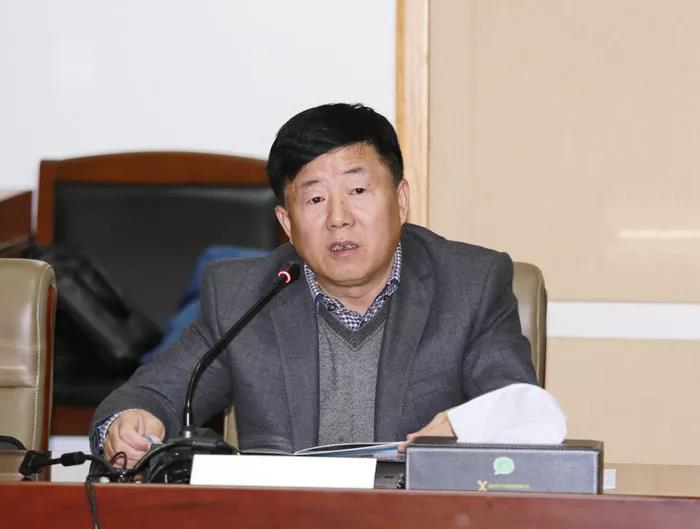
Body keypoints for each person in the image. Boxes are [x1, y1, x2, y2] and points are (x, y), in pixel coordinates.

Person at [91, 103, 537, 467]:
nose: (339, 218)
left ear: (401, 200)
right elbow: (150, 394)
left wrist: (470, 426)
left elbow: (521, 411)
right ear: (287, 223)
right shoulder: (243, 296)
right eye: (315, 198)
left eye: (358, 191)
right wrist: (129, 423)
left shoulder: (470, 284)